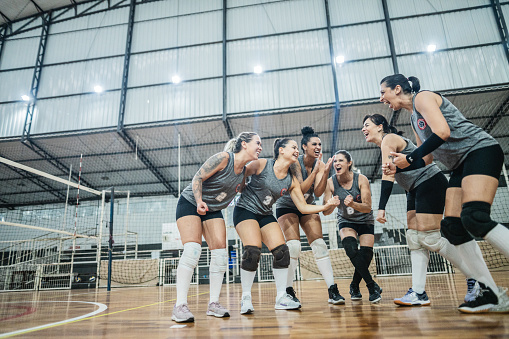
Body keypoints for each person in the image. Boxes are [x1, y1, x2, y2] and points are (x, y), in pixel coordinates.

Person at [379, 74, 509, 313]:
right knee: (451, 225)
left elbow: (443, 132)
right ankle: (491, 292)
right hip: (460, 164)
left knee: (475, 217)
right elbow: (426, 158)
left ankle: (488, 290)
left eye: (383, 92)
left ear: (397, 89)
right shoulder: (413, 117)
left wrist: (408, 157)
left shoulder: (423, 98)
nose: (381, 98)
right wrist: (399, 165)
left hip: (480, 151)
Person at [362, 113, 479, 306]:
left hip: (430, 182)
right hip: (415, 188)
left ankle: (475, 278)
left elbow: (388, 177)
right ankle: (418, 292)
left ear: (380, 126)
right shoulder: (385, 143)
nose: (363, 129)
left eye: (367, 125)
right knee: (414, 238)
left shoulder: (389, 140)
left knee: (429, 237)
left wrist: (381, 208)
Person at [233, 138, 340, 314]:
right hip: (245, 210)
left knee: (283, 251)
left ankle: (282, 296)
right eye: (293, 147)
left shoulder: (290, 181)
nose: (297, 150)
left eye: (298, 148)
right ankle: (246, 297)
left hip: (265, 214)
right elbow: (240, 172)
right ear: (281, 150)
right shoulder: (262, 164)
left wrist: (326, 206)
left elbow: (303, 207)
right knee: (252, 250)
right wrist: (239, 187)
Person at [171, 132, 261, 323]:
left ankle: (213, 304)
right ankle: (179, 305)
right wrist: (199, 201)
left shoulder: (243, 173)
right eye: (257, 143)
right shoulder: (223, 158)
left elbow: (245, 188)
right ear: (244, 144)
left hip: (212, 209)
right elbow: (197, 178)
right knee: (193, 249)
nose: (260, 147)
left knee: (220, 253)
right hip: (190, 202)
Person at [276, 127, 344, 305]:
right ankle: (288, 290)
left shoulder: (320, 164)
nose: (318, 147)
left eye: (320, 144)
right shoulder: (294, 162)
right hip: (287, 206)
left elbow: (319, 191)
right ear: (304, 147)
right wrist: (314, 173)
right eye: (314, 144)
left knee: (320, 245)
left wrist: (325, 171)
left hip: (308, 206)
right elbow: (302, 188)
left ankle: (332, 289)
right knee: (293, 246)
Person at [323, 150, 382, 303]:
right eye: (335, 161)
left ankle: (354, 286)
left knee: (366, 254)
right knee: (350, 249)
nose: (337, 163)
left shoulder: (361, 179)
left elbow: (368, 207)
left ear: (349, 163)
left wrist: (353, 204)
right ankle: (371, 286)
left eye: (341, 160)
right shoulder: (330, 182)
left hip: (364, 219)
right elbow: (326, 212)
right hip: (346, 220)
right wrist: (331, 205)